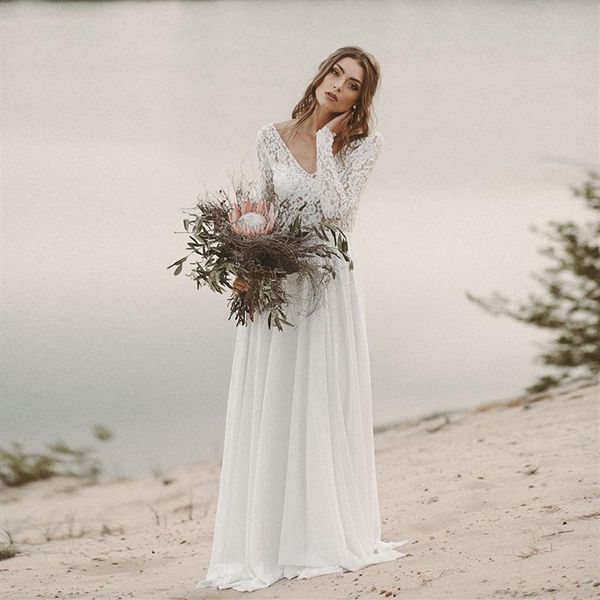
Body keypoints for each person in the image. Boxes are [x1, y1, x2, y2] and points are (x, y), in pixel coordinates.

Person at [194, 46, 408, 593]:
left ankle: (318, 536)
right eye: (336, 73)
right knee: (274, 399)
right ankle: (268, 537)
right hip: (278, 280)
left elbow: (338, 213)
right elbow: (263, 209)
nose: (339, 86)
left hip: (327, 281)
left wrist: (327, 144)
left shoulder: (362, 146)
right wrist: (243, 260)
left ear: (361, 100)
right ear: (320, 74)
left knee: (318, 399)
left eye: (354, 84)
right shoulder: (271, 136)